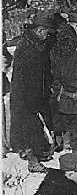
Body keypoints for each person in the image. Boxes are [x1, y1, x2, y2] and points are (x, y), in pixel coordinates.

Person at [10, 11, 54, 172]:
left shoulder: (36, 44)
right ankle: (33, 161)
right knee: (30, 126)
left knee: (36, 125)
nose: (47, 35)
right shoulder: (27, 48)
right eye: (47, 31)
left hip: (35, 92)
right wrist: (33, 99)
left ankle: (38, 152)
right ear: (40, 30)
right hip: (26, 94)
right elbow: (27, 77)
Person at [50, 11, 77, 152]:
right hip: (61, 77)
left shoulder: (59, 32)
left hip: (53, 75)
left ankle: (58, 139)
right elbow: (67, 60)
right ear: (76, 25)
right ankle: (65, 141)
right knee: (64, 108)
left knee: (56, 108)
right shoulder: (69, 37)